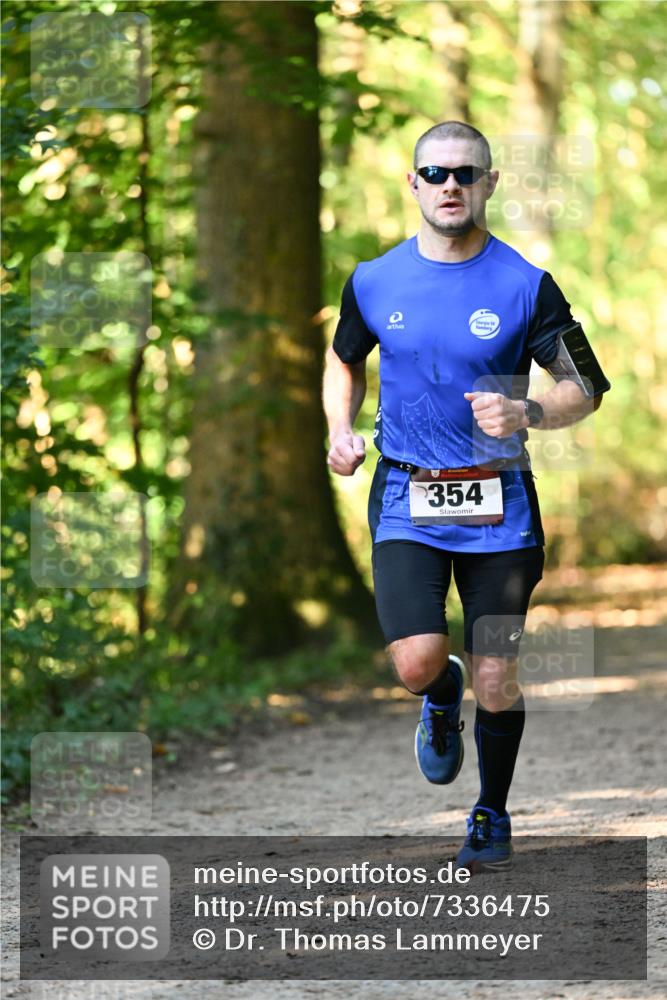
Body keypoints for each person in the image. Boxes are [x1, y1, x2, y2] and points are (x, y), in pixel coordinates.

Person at [322, 121, 610, 872]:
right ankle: (436, 697)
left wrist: (531, 412)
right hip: (405, 498)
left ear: (488, 184)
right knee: (420, 663)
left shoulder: (525, 284)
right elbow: (342, 359)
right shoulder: (373, 279)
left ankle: (490, 813)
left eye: (465, 173)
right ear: (412, 184)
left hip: (501, 506)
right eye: (434, 172)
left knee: (496, 674)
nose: (450, 185)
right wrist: (339, 430)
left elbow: (586, 384)